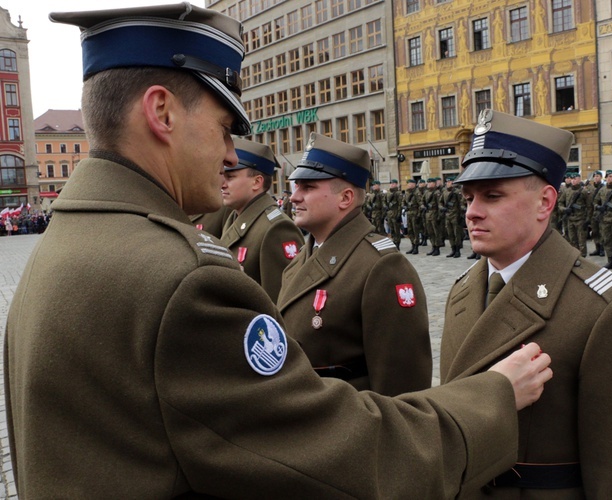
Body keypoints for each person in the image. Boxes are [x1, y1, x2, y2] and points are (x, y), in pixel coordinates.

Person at [4, 6, 554, 497]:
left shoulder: (68, 241)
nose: (227, 155)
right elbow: (343, 452)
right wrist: (492, 400)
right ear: (162, 113)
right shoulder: (182, 280)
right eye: (223, 129)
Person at [440, 109, 612, 497]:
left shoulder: (609, 309)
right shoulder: (464, 290)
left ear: (544, 202)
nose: (472, 212)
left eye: (493, 196)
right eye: (468, 197)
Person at [277, 133, 432, 396]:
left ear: (345, 198)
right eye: (296, 187)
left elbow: (402, 392)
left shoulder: (381, 267)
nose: (295, 197)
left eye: (308, 187)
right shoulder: (302, 259)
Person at [219, 138, 304, 302]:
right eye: (223, 175)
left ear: (256, 182)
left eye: (230, 177)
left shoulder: (275, 228)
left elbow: (278, 302)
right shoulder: (233, 218)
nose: (222, 183)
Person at [558, 171, 590, 257]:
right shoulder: (567, 191)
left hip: (580, 219)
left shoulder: (583, 192)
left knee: (581, 241)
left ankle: (583, 257)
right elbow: (560, 203)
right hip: (570, 219)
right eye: (572, 179)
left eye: (575, 179)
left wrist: (588, 220)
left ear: (579, 179)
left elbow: (589, 207)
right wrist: (565, 210)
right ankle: (575, 257)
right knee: (572, 240)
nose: (573, 181)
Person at [441, 176, 464, 258]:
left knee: (456, 233)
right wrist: (442, 208)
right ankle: (453, 249)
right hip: (447, 215)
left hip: (455, 215)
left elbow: (461, 203)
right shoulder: (444, 192)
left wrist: (461, 215)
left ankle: (458, 250)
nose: (448, 183)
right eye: (447, 182)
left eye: (450, 182)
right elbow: (440, 203)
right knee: (450, 233)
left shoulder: (457, 192)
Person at [403, 178, 421, 254]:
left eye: (410, 183)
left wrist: (419, 215)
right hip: (409, 213)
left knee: (415, 230)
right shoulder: (407, 193)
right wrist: (404, 207)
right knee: (410, 230)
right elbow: (403, 202)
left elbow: (420, 204)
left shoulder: (417, 193)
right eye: (408, 184)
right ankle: (412, 245)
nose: (408, 185)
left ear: (414, 184)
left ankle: (416, 247)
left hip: (415, 213)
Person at [384, 178, 403, 250]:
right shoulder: (388, 193)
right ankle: (394, 242)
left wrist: (399, 214)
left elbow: (400, 205)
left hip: (395, 213)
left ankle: (397, 243)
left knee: (396, 230)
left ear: (396, 184)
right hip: (389, 213)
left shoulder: (398, 193)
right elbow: (384, 201)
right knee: (391, 229)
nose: (392, 185)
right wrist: (385, 207)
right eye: (391, 183)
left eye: (393, 183)